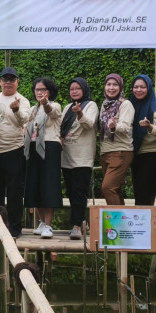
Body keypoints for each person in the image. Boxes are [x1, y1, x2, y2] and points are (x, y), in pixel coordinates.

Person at [0, 67, 30, 237]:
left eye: (12, 79)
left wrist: (16, 109)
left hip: (13, 150)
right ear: (0, 81)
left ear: (17, 82)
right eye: (5, 79)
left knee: (14, 192)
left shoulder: (23, 100)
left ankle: (14, 227)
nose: (8, 82)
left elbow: (25, 119)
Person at [23, 77, 63, 238]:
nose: (40, 93)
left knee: (49, 184)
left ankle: (49, 225)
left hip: (49, 147)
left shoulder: (55, 105)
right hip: (32, 147)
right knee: (34, 184)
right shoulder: (33, 109)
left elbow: (52, 112)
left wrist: (46, 103)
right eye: (37, 90)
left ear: (50, 91)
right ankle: (41, 221)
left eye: (43, 90)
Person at [60, 77, 98, 240]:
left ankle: (76, 226)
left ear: (84, 89)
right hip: (66, 154)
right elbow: (60, 126)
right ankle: (82, 222)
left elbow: (89, 124)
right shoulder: (68, 107)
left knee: (79, 191)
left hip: (82, 156)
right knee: (70, 191)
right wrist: (59, 137)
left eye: (77, 88)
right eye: (71, 89)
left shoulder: (91, 105)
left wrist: (80, 112)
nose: (74, 91)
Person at [127, 75, 156, 206]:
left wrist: (150, 127)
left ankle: (148, 225)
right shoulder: (131, 104)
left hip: (153, 154)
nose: (139, 90)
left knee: (146, 194)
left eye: (142, 87)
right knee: (139, 193)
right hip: (136, 152)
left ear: (149, 88)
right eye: (136, 87)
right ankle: (144, 224)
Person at [97, 73, 135, 205]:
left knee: (107, 188)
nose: (111, 88)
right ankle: (122, 223)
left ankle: (116, 222)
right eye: (108, 84)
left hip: (121, 150)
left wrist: (114, 127)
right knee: (115, 189)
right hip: (105, 151)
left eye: (115, 84)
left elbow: (125, 127)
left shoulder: (126, 104)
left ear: (121, 87)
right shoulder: (105, 104)